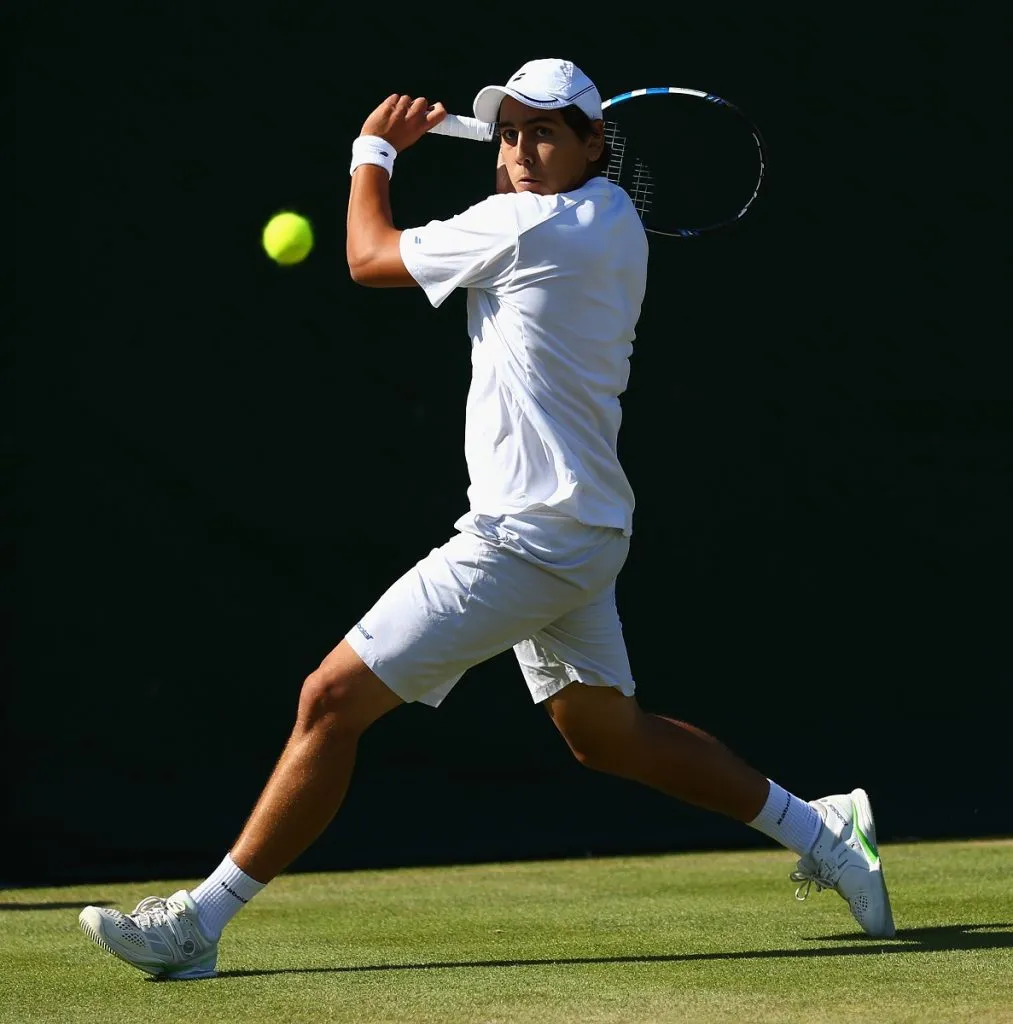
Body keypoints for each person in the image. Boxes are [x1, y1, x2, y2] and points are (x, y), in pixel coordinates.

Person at [78, 57, 895, 981]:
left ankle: (198, 924)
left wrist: (373, 152)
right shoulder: (613, 219)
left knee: (328, 700)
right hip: (581, 534)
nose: (519, 150)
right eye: (507, 132)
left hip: (523, 539)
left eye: (545, 131)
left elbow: (365, 256)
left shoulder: (530, 226)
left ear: (597, 143)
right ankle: (820, 827)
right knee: (607, 735)